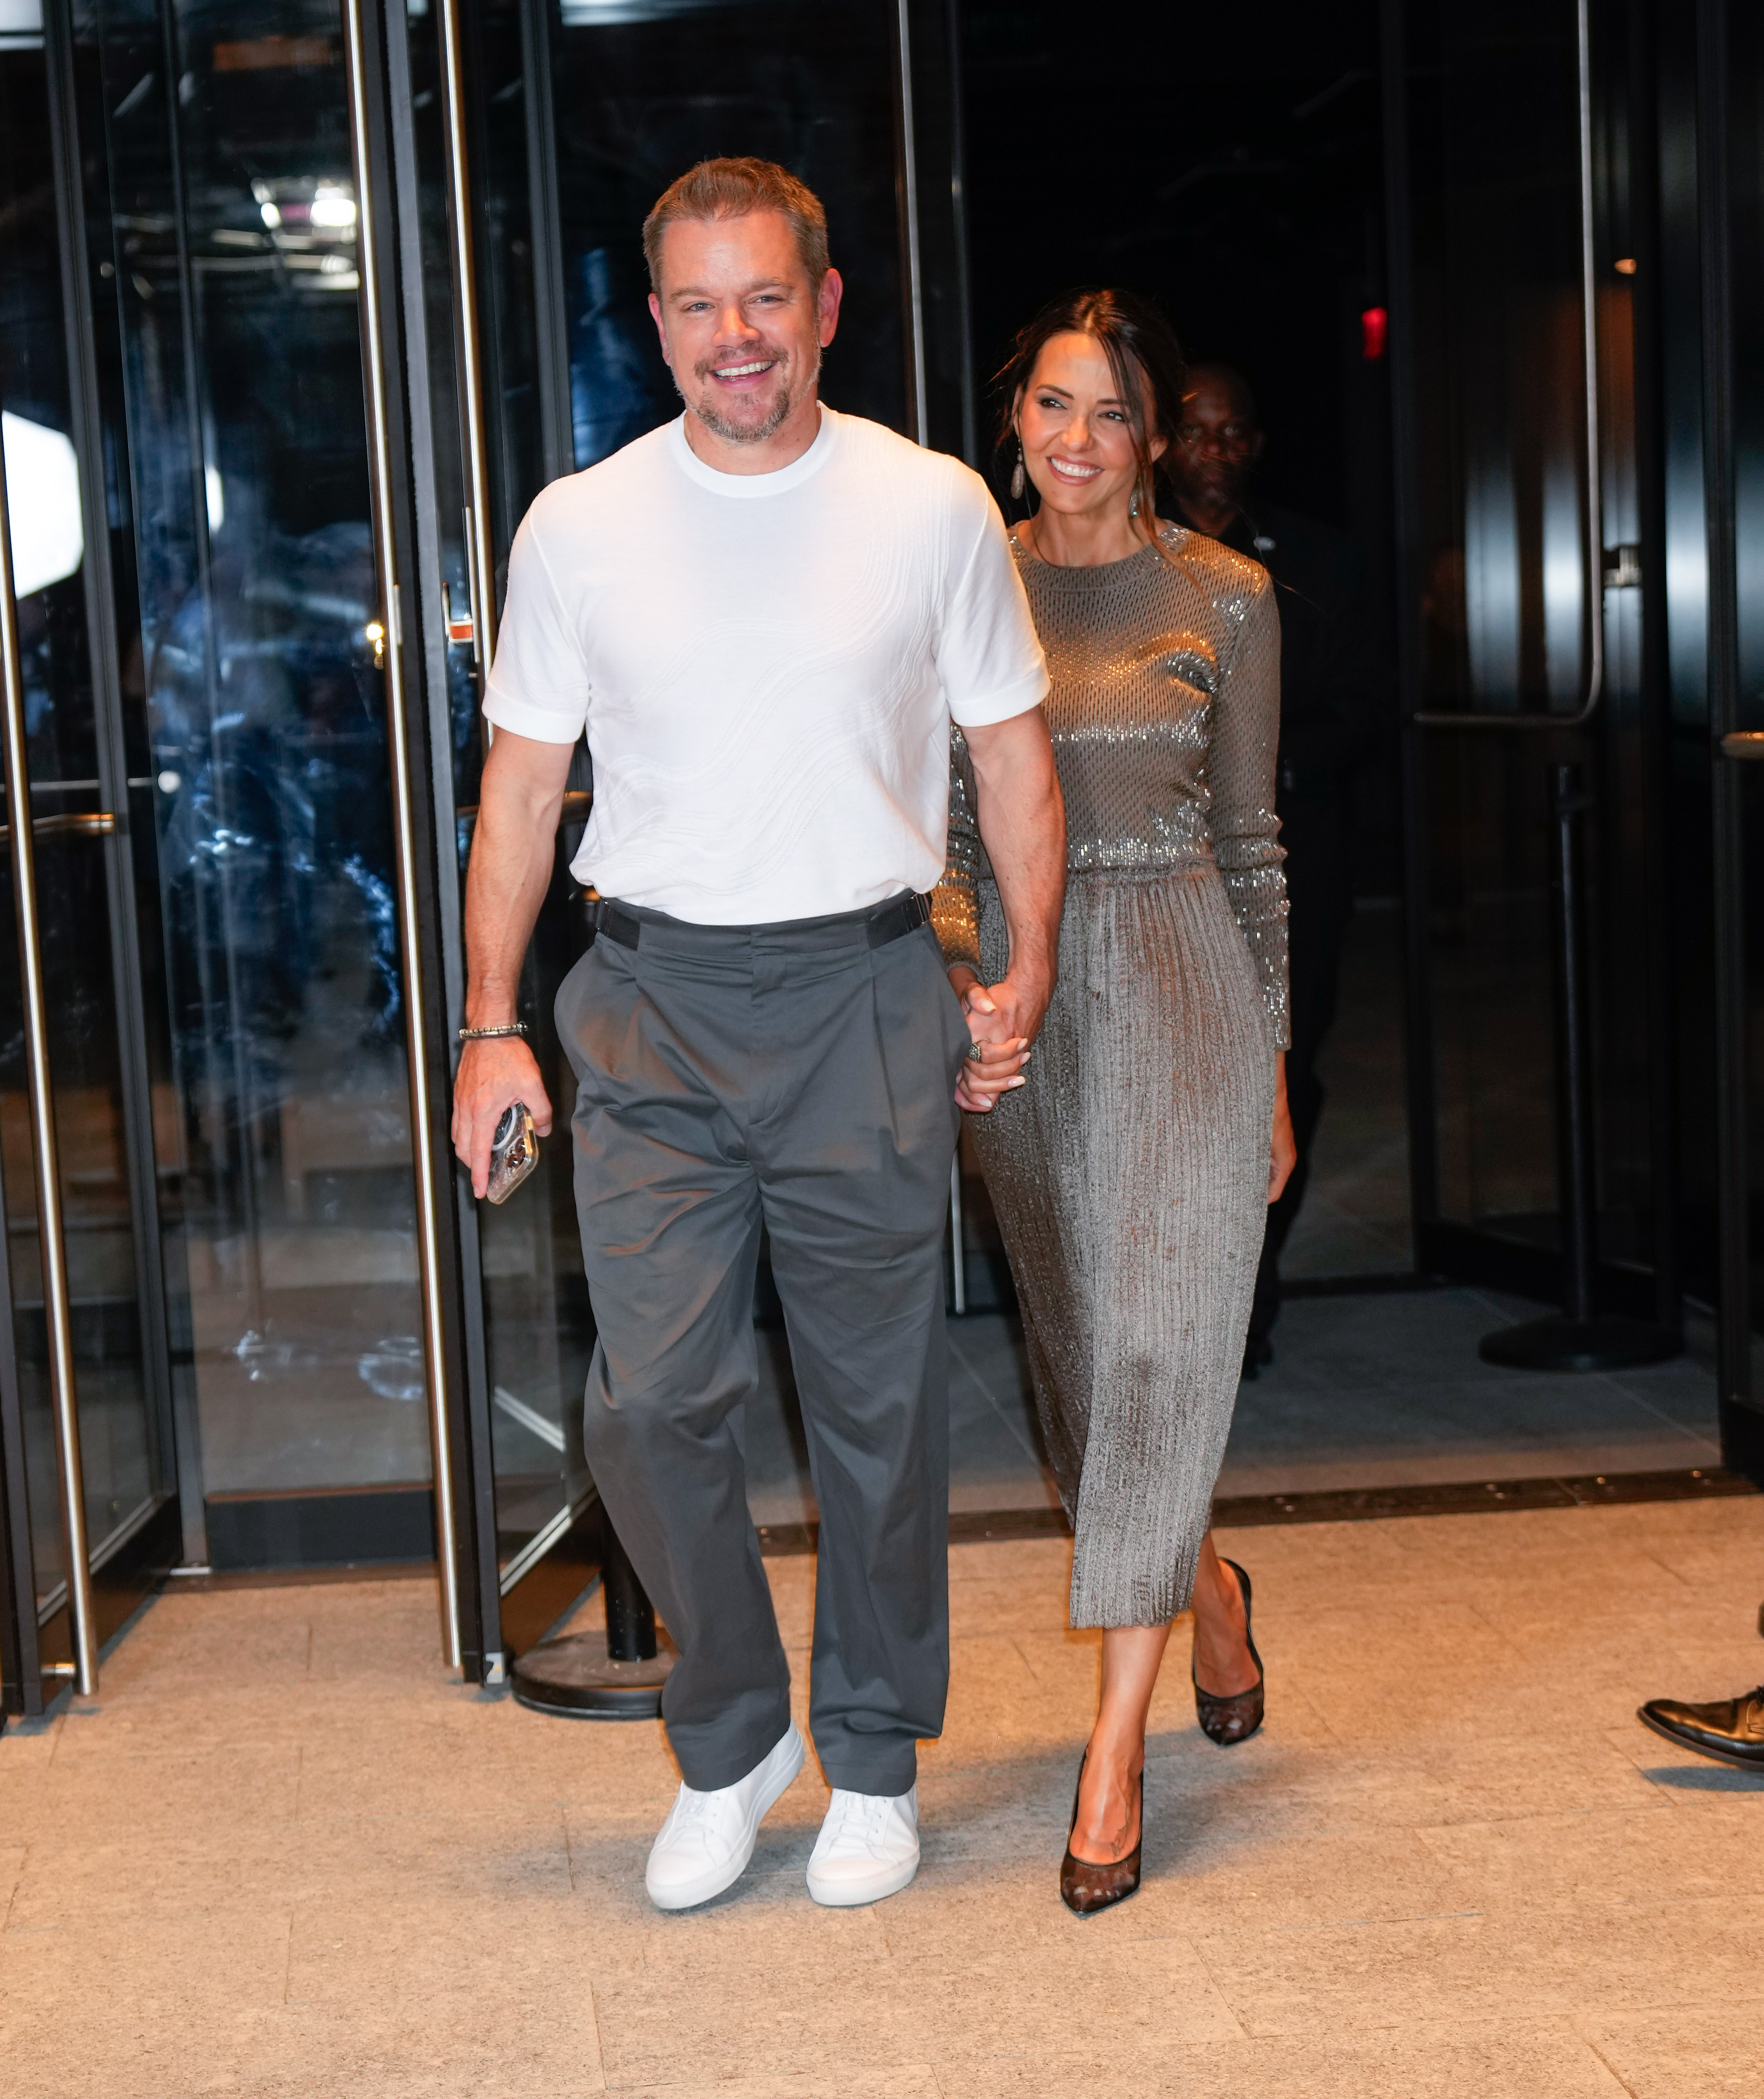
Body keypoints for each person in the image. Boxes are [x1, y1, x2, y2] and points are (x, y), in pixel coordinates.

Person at [451, 158, 1065, 1913]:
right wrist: (492, 1028)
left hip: (863, 993)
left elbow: (1009, 757)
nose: (737, 336)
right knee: (648, 1401)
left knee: (876, 1407)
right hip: (644, 1002)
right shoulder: (580, 523)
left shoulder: (932, 505)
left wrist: (1021, 969)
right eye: (699, 304)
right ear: (655, 325)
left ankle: (871, 1753)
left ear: (826, 303)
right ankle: (733, 1737)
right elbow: (517, 792)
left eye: (766, 296)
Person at [933, 290, 1295, 1916]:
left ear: (1153, 438)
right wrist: (971, 983)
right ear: (1014, 415)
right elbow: (932, 838)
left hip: (1183, 989)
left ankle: (1115, 1750)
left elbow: (1254, 852)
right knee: (1087, 1371)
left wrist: (1275, 1065)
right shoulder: (959, 583)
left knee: (1159, 1344)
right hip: (1020, 1006)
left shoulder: (1227, 601)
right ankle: (1207, 1595)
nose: (1074, 442)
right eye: (1049, 407)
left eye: (1109, 415)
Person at [1163, 362, 1384, 1375]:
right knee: (1172, 1085)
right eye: (1199, 431)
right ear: (1166, 439)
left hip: (1292, 861)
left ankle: (1252, 1285)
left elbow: (1360, 712)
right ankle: (1181, 1296)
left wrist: (1252, 767)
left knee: (1285, 1072)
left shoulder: (1320, 563)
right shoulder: (1122, 556)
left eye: (1235, 432)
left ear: (1255, 445)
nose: (1218, 450)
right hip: (1155, 872)